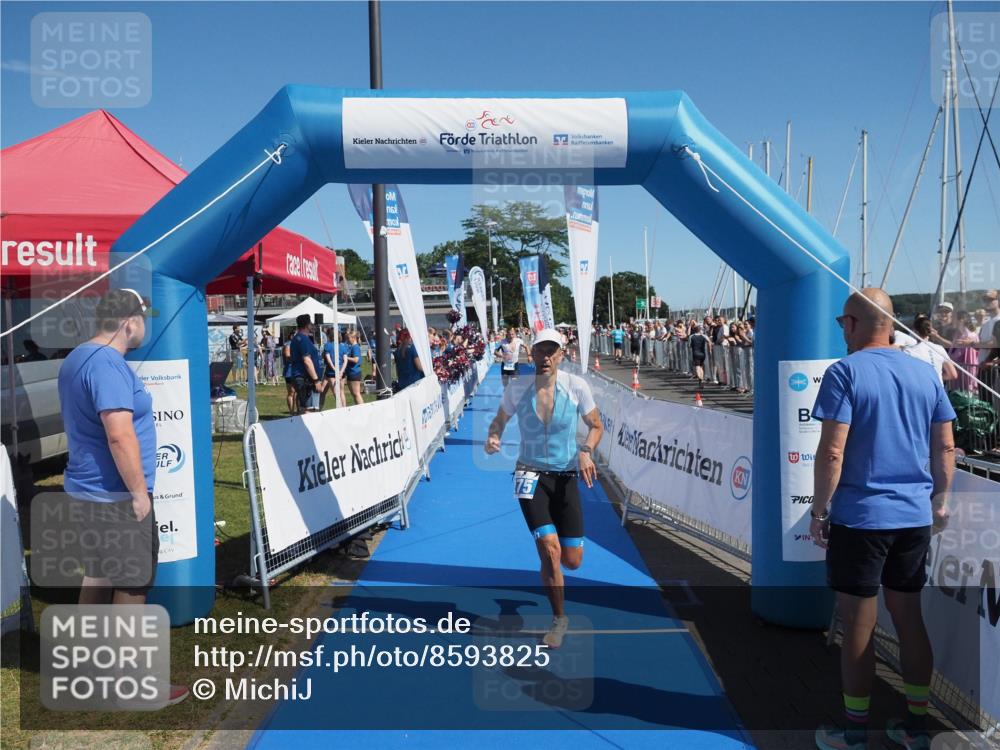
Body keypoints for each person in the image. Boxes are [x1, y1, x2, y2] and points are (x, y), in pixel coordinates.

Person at [810, 288, 955, 750]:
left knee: (857, 623)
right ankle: (916, 727)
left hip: (861, 518)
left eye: (841, 324)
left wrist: (818, 510)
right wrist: (941, 499)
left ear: (853, 324)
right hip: (913, 517)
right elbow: (945, 448)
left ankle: (855, 731)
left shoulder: (844, 372)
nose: (841, 332)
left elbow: (833, 451)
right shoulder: (925, 373)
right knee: (909, 618)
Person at [57, 288, 188, 707]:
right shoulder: (108, 364)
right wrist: (138, 495)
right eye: (144, 318)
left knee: (97, 576)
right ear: (130, 321)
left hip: (88, 490)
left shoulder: (79, 356)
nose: (145, 326)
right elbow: (118, 433)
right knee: (132, 586)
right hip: (113, 494)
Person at [484, 329, 604, 649]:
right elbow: (499, 419)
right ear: (531, 353)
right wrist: (494, 436)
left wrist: (587, 451)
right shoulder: (519, 387)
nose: (546, 357)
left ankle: (552, 570)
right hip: (529, 474)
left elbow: (596, 426)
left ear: (562, 355)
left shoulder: (576, 387)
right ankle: (559, 617)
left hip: (565, 477)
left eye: (553, 351)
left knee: (572, 560)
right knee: (550, 549)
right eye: (541, 350)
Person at [901, 317, 958, 384]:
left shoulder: (908, 351)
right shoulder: (940, 349)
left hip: (922, 389)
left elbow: (905, 375)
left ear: (915, 331)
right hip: (938, 389)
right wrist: (938, 377)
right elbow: (953, 375)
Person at [288, 314, 323, 413]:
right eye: (310, 324)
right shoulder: (302, 339)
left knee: (304, 408)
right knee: (309, 410)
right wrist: (316, 380)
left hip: (301, 377)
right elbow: (307, 361)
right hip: (306, 379)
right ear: (307, 325)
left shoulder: (297, 338)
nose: (312, 326)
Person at [321, 327, 341, 409]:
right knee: (322, 392)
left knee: (336, 394)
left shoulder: (327, 346)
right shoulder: (341, 345)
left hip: (331, 372)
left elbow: (325, 357)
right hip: (331, 373)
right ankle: (318, 409)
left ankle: (342, 411)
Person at [343, 330, 364, 406]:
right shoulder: (352, 346)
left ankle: (362, 410)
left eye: (349, 338)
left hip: (354, 372)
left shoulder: (355, 347)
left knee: (356, 394)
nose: (348, 340)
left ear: (353, 338)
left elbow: (356, 359)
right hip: (351, 372)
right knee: (354, 394)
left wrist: (346, 358)